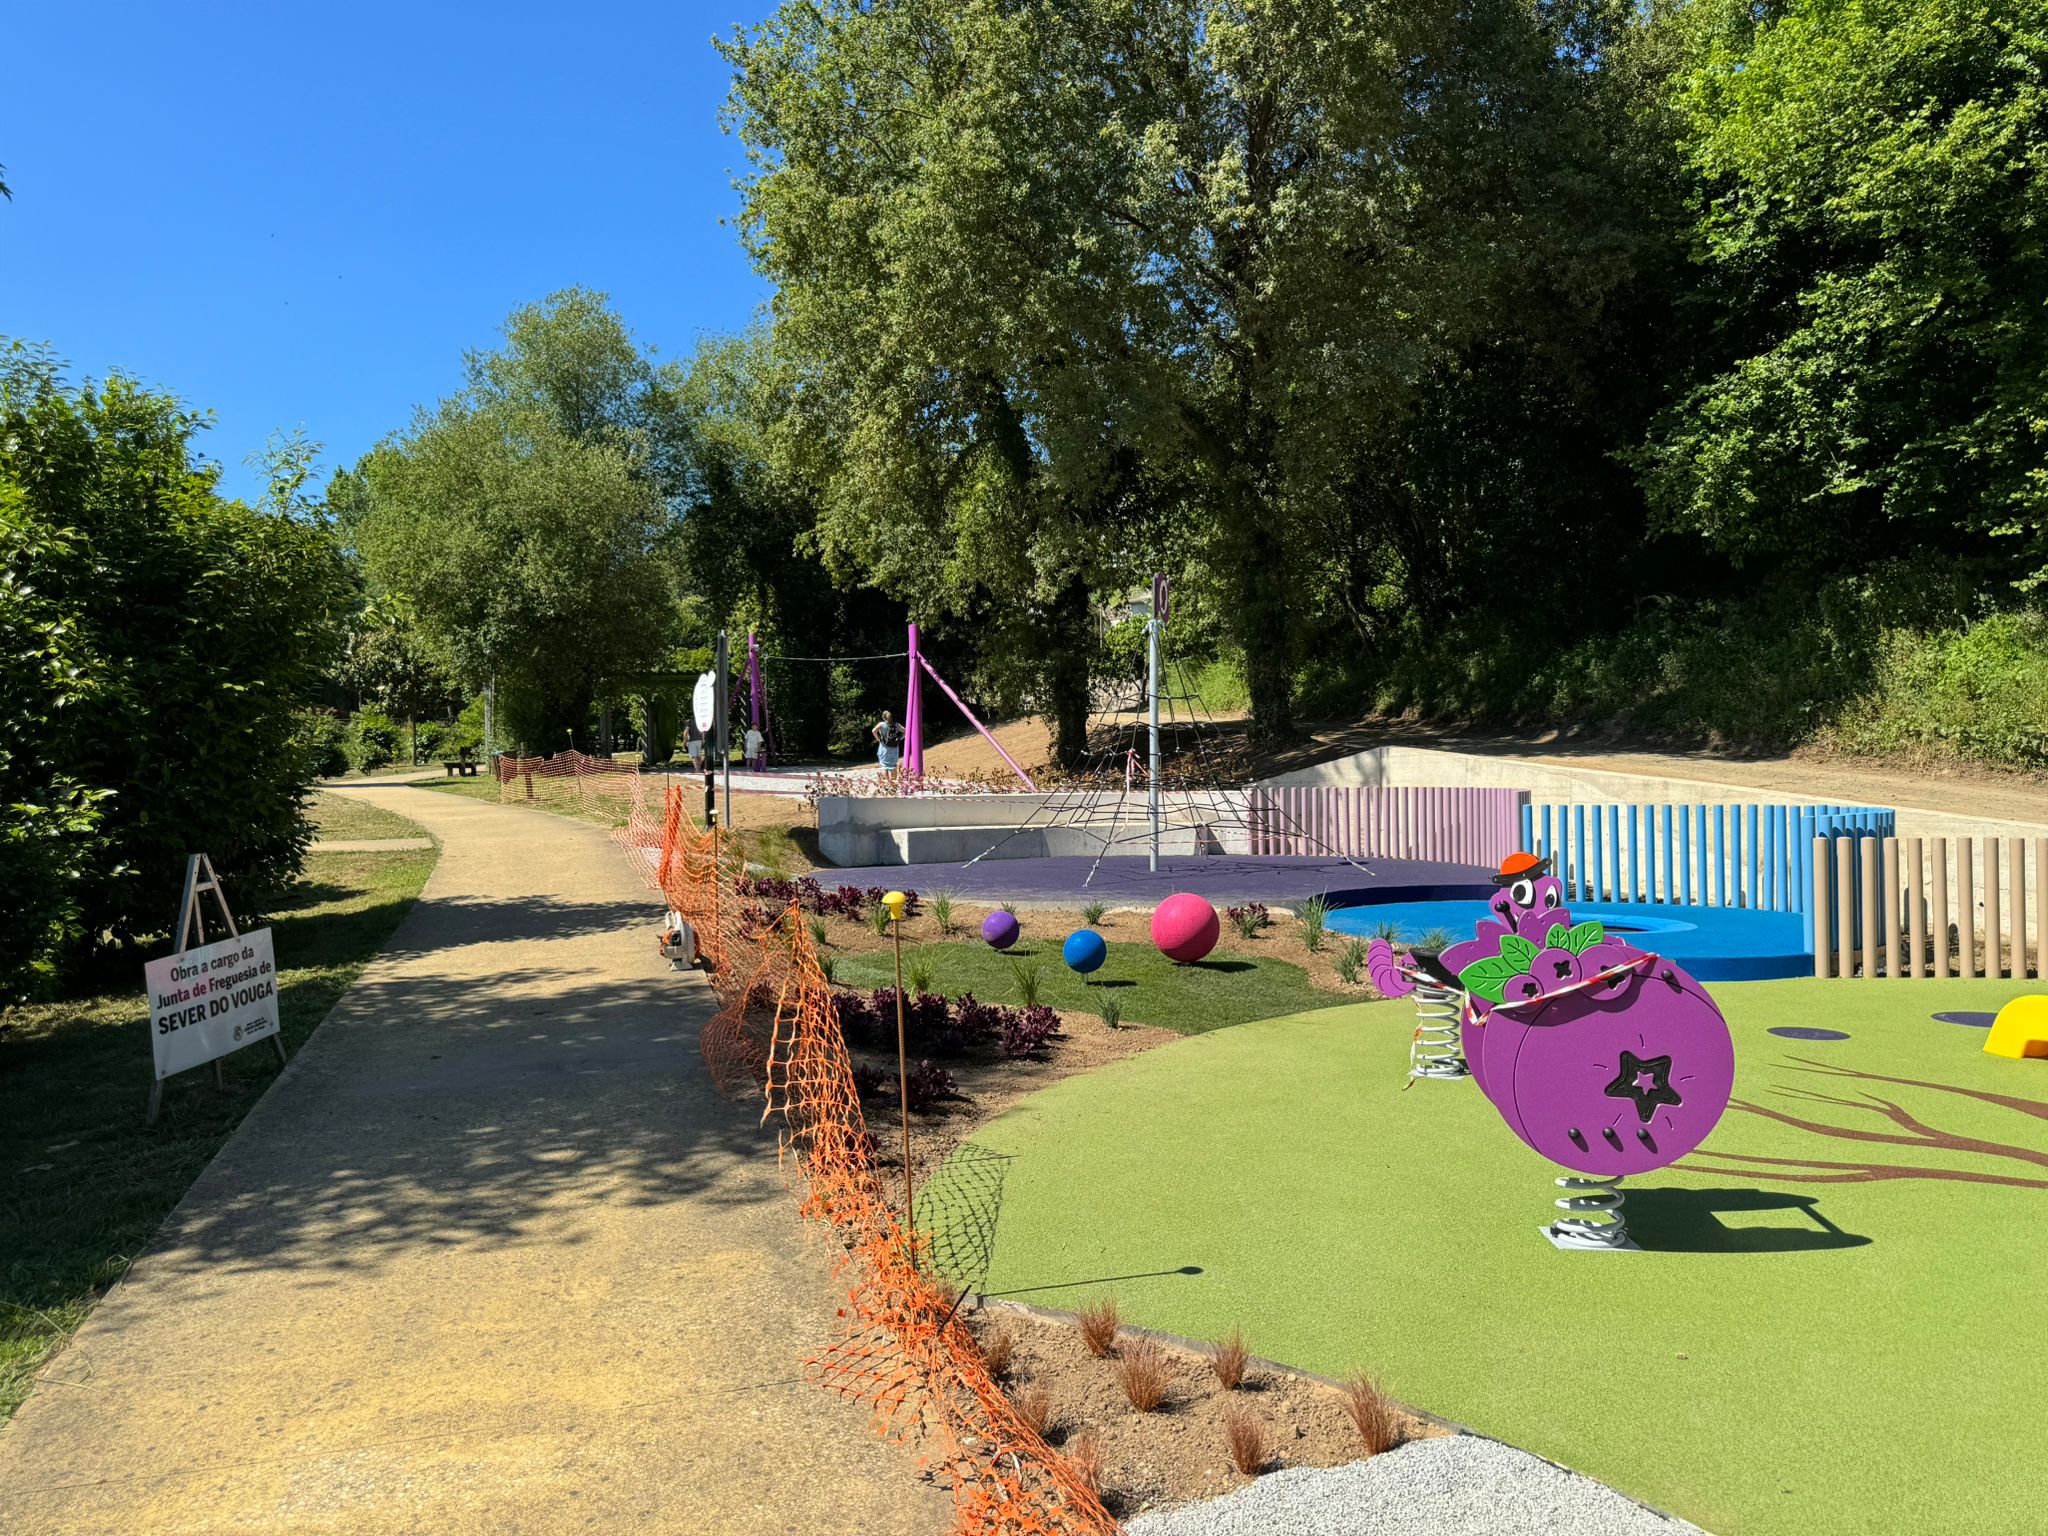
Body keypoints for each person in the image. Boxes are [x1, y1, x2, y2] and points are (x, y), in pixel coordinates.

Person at [872, 710, 904, 774]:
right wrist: (899, 738)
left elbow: (873, 731)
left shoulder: (881, 724)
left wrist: (878, 739)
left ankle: (887, 780)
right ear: (891, 717)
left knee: (885, 766)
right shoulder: (896, 724)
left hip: (884, 748)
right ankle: (893, 780)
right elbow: (906, 731)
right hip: (894, 748)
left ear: (883, 717)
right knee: (893, 765)